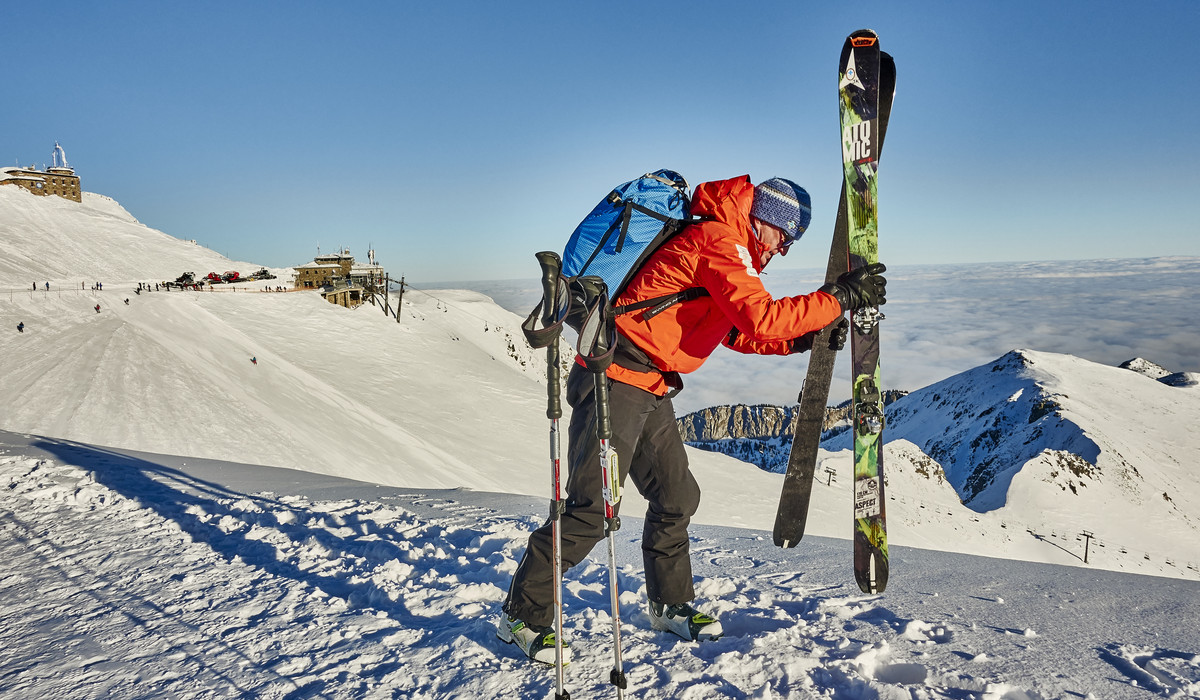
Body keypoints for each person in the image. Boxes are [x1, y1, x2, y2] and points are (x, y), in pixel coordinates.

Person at [498, 176, 887, 663]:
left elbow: (733, 330)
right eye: (786, 236)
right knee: (590, 511)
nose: (784, 249)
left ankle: (669, 603)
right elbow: (759, 318)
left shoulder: (727, 243)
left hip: (650, 384)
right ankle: (522, 614)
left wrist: (800, 339)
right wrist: (837, 299)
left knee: (677, 496)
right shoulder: (719, 241)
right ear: (768, 219)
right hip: (614, 380)